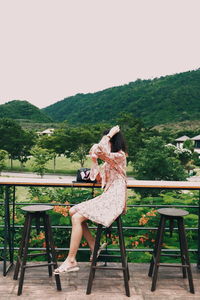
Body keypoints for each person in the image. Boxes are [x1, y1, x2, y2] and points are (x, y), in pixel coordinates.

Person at [54, 125, 127, 273]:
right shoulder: (108, 161)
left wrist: (109, 134)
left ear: (113, 141)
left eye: (109, 140)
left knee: (76, 218)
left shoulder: (120, 156)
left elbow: (100, 149)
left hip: (115, 197)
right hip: (108, 195)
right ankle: (93, 244)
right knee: (72, 211)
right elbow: (97, 178)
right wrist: (94, 161)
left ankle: (71, 260)